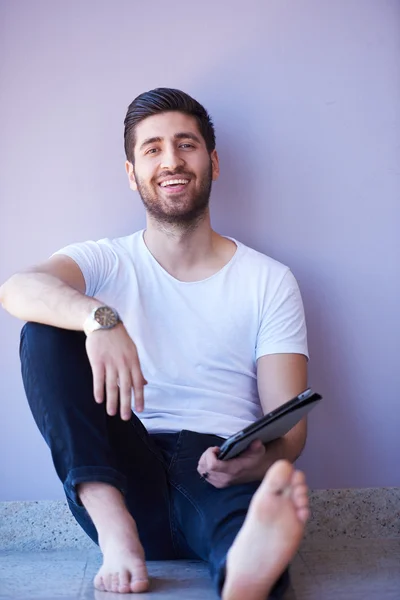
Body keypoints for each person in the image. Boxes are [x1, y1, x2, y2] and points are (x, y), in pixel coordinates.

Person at [0, 88, 310, 600]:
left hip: (214, 463)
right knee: (45, 328)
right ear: (131, 173)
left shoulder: (268, 280)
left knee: (243, 527)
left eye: (186, 145)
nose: (172, 161)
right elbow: (16, 288)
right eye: (152, 149)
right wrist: (100, 320)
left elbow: (290, 429)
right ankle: (115, 530)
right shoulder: (105, 260)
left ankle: (248, 571)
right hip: (121, 472)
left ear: (211, 161)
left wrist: (254, 460)